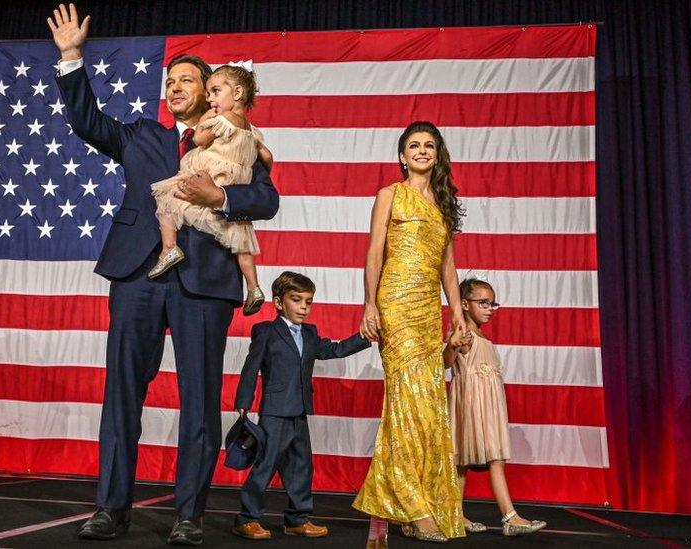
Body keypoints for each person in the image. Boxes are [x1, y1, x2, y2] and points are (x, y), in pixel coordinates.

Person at [47, 4, 280, 545]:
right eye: (170, 80)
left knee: (199, 400)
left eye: (187, 81)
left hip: (205, 280)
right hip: (138, 275)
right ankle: (110, 509)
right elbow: (87, 121)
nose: (175, 87)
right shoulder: (143, 136)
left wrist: (221, 195)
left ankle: (188, 516)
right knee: (122, 393)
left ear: (211, 91)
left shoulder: (236, 135)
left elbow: (266, 199)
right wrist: (71, 57)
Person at [352, 121, 468, 543]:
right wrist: (369, 304)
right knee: (407, 398)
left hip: (426, 309)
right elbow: (374, 251)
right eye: (414, 146)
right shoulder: (389, 194)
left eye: (429, 146)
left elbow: (448, 267)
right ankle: (413, 507)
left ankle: (428, 501)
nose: (421, 151)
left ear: (437, 155)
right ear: (402, 156)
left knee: (429, 404)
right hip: (396, 305)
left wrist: (457, 313)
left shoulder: (443, 201)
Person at [231, 271, 371, 540]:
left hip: (300, 411)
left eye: (308, 301)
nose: (304, 307)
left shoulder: (310, 333)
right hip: (274, 411)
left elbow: (335, 350)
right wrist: (243, 402)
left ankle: (297, 518)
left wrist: (363, 337)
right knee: (265, 464)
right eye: (297, 300)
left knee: (301, 465)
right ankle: (247, 519)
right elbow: (251, 368)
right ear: (279, 302)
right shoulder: (266, 331)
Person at [148, 64, 273, 316]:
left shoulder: (220, 120)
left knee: (167, 199)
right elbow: (267, 157)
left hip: (209, 173)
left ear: (237, 94)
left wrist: (204, 123)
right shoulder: (252, 130)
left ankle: (169, 247)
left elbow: (199, 140)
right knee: (242, 242)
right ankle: (254, 287)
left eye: (215, 91)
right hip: (235, 179)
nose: (210, 98)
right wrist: (248, 172)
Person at [444, 278, 547, 537]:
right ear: (465, 304)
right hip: (472, 404)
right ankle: (510, 517)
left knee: (464, 462)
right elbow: (445, 363)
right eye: (483, 303)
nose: (490, 308)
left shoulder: (481, 335)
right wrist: (453, 344)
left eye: (492, 304)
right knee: (491, 459)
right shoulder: (464, 334)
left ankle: (454, 515)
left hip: (488, 404)